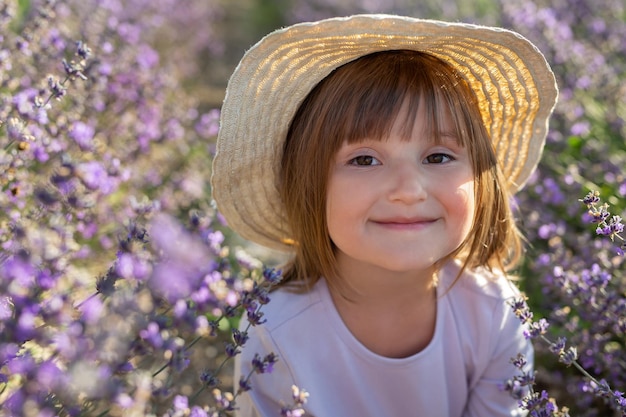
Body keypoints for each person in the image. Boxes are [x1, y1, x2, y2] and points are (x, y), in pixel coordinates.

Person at [211, 14, 558, 417]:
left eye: (438, 156)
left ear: (482, 181)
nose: (409, 190)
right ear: (309, 186)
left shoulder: (494, 313)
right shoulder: (274, 332)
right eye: (364, 159)